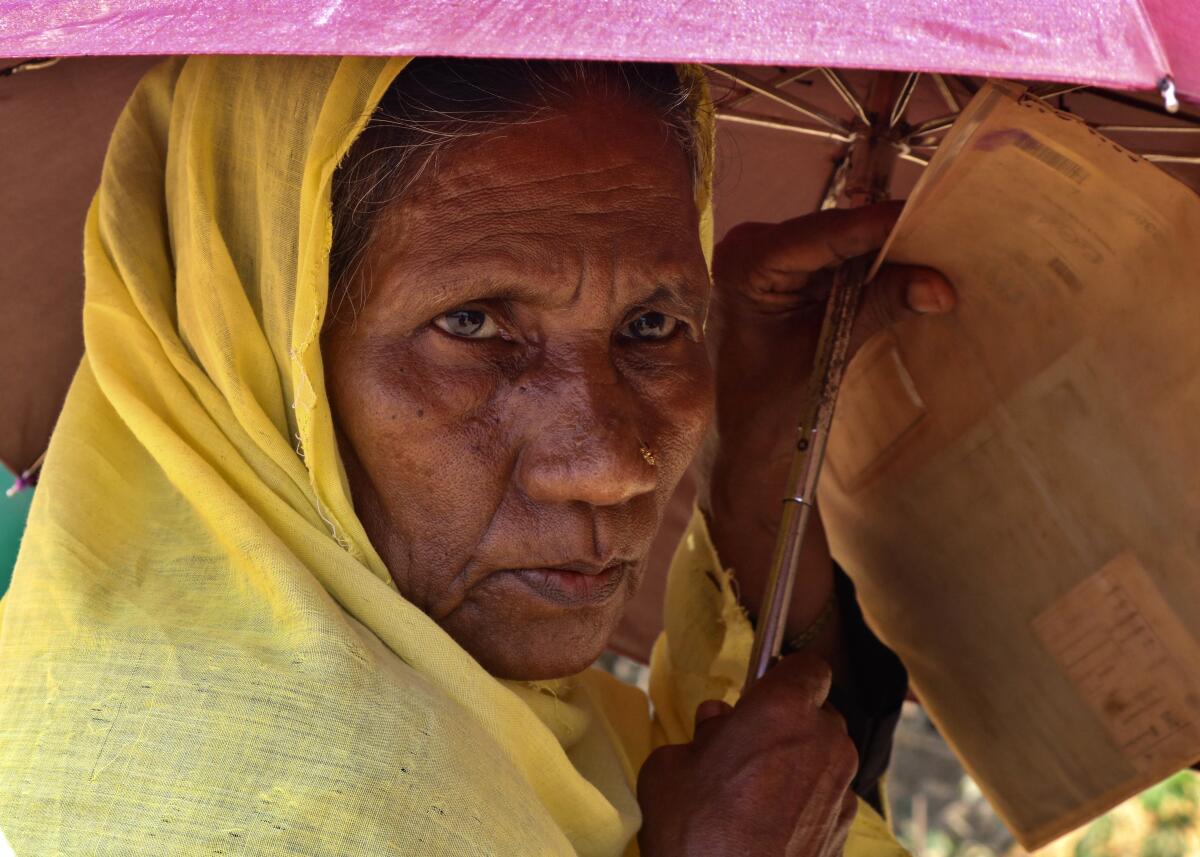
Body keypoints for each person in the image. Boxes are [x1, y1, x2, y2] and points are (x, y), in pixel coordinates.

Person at [0, 56, 954, 855]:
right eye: (472, 322)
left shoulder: (523, 724)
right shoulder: (229, 801)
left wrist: (756, 449)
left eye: (653, 324)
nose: (611, 465)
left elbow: (760, 781)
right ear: (250, 343)